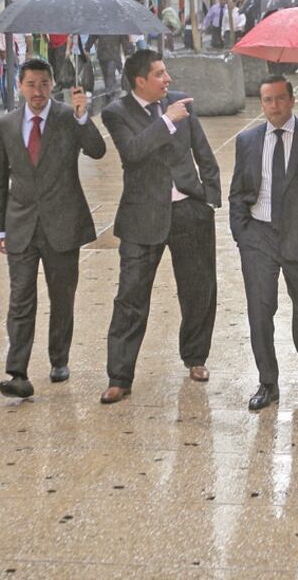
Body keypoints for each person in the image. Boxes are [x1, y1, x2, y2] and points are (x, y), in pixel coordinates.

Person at [100, 50, 222, 404]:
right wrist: (166, 120)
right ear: (140, 81)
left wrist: (210, 198)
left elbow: (203, 153)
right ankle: (119, 377)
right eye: (159, 74)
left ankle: (196, 357)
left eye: (166, 72)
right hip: (142, 218)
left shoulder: (181, 104)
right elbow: (132, 152)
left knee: (198, 290)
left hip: (189, 210)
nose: (167, 79)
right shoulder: (116, 113)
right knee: (131, 297)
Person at [0, 59, 105, 398]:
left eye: (43, 84)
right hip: (21, 226)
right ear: (19, 87)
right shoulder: (7, 125)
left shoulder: (69, 117)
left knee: (62, 297)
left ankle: (59, 359)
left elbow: (97, 151)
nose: (37, 91)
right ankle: (17, 372)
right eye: (31, 84)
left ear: (53, 85)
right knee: (20, 299)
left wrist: (83, 116)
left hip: (63, 224)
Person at [229, 76, 298, 410]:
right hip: (258, 235)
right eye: (268, 100)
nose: (274, 106)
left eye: (280, 98)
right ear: (261, 103)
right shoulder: (247, 140)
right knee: (259, 310)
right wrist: (242, 233)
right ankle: (268, 383)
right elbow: (237, 191)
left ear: (292, 100)